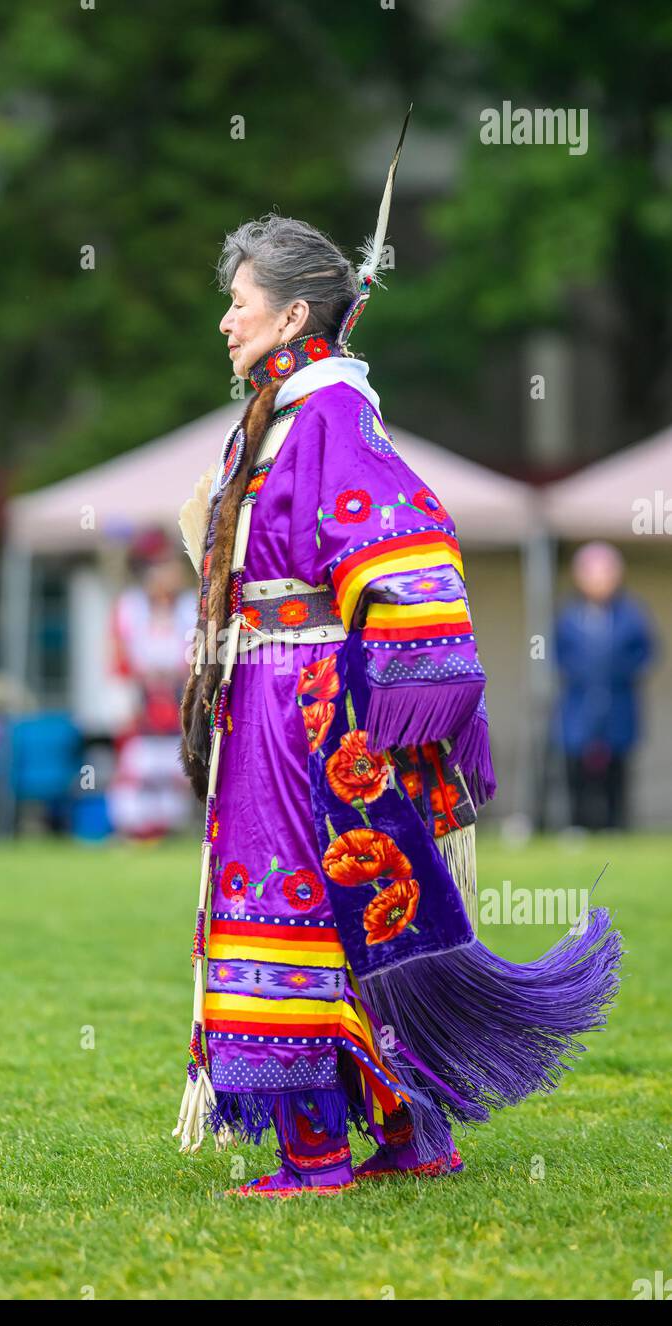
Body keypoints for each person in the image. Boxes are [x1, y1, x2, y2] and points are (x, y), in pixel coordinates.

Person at [171, 124, 622, 1198]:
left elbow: (406, 542)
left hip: (302, 706)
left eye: (241, 300)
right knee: (337, 904)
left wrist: (403, 694)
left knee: (286, 898)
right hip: (274, 694)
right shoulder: (279, 417)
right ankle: (411, 1130)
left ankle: (315, 1149)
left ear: (290, 315)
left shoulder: (327, 413)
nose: (225, 318)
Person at [554, 542, 656, 831]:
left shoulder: (632, 615)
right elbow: (556, 654)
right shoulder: (569, 616)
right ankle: (578, 827)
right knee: (577, 771)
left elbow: (647, 652)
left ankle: (617, 827)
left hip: (618, 705)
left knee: (617, 772)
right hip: (579, 706)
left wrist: (621, 672)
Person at [106, 530, 197, 839]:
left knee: (175, 761)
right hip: (141, 697)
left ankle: (169, 826)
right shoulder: (130, 607)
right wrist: (133, 688)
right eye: (164, 566)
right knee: (139, 760)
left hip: (178, 695)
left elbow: (199, 651)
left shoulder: (188, 606)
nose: (172, 574)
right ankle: (134, 828)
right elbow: (117, 654)